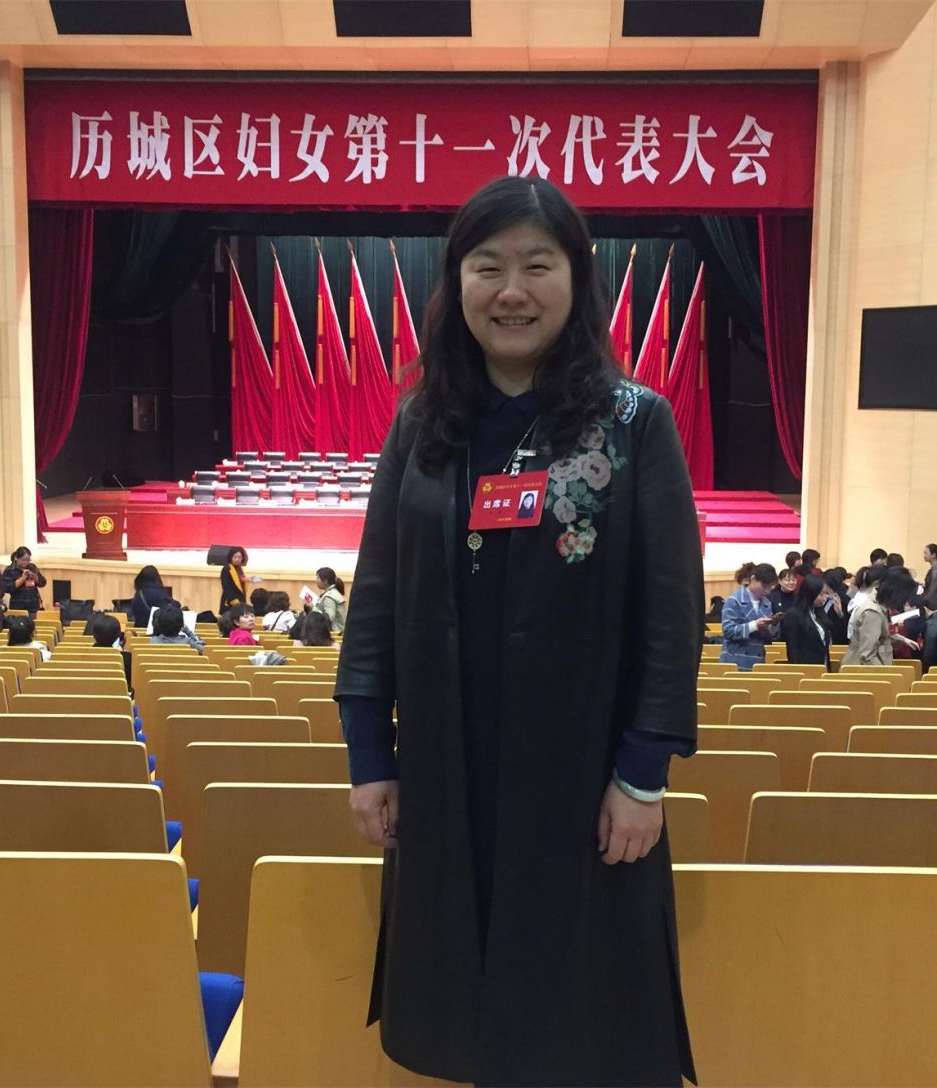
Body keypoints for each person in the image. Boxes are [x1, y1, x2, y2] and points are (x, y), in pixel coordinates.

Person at [334, 176, 699, 1084]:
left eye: (538, 266)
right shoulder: (422, 423)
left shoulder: (634, 423)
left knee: (579, 1021)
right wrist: (369, 754)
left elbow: (670, 615)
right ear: (456, 280)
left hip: (584, 772)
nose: (511, 291)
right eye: (487, 266)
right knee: (456, 1008)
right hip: (446, 762)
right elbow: (376, 595)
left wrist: (642, 776)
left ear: (576, 279)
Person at [843, 566, 917, 666]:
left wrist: (903, 640)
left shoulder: (881, 605)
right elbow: (867, 656)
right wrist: (885, 673)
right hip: (865, 670)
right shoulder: (873, 612)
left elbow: (884, 633)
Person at [721, 562, 779, 669]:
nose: (767, 591)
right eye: (764, 586)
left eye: (770, 588)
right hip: (735, 660)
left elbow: (768, 638)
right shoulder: (734, 600)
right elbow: (728, 631)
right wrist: (754, 625)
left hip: (757, 661)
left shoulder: (767, 604)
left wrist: (772, 626)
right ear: (753, 579)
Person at [778, 574, 831, 666]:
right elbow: (792, 649)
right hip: (805, 667)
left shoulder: (818, 612)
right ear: (811, 593)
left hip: (822, 665)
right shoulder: (794, 614)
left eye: (826, 593)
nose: (825, 597)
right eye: (821, 594)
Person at [2, 547, 47, 614]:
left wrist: (35, 578)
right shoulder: (10, 570)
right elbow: (7, 588)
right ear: (16, 558)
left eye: (28, 560)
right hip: (17, 607)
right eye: (23, 560)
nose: (26, 562)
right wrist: (22, 579)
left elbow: (43, 583)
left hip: (33, 607)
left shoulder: (32, 567)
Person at [129, 565, 173, 630]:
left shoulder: (139, 594)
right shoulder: (162, 593)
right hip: (157, 632)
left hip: (140, 632)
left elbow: (133, 613)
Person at [311, 567, 347, 635]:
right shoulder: (334, 593)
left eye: (318, 578)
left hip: (333, 635)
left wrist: (313, 610)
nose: (316, 580)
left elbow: (328, 618)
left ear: (325, 581)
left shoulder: (329, 596)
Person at [218, 546, 250, 614]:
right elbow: (226, 587)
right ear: (231, 557)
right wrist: (234, 600)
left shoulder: (239, 568)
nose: (237, 559)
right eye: (235, 557)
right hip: (230, 602)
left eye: (239, 557)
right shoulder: (227, 569)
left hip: (240, 600)